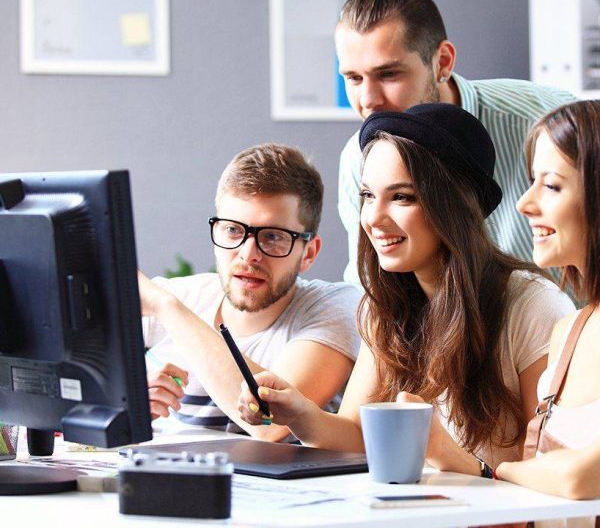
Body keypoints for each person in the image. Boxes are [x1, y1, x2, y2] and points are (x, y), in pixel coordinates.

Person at [237, 104, 574, 472]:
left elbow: (547, 475)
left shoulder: (534, 306)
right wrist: (298, 412)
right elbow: (358, 438)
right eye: (368, 195)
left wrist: (440, 449)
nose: (373, 218)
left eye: (401, 197)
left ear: (454, 206)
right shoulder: (385, 308)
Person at [336, 0, 575, 286]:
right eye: (354, 78)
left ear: (443, 62)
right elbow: (369, 286)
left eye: (389, 74)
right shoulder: (357, 159)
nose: (368, 100)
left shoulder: (544, 122)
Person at [140, 143, 361, 442]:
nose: (248, 254)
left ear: (308, 253)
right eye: (233, 230)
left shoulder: (336, 308)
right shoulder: (184, 294)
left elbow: (270, 424)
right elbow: (76, 389)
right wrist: (124, 401)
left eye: (273, 236)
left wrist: (168, 309)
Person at [495, 101, 600, 504]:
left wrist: (503, 470)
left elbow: (580, 478)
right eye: (531, 181)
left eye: (551, 186)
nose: (524, 203)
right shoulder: (567, 332)